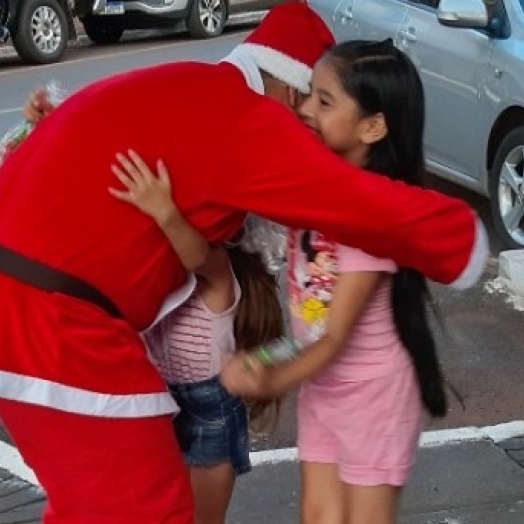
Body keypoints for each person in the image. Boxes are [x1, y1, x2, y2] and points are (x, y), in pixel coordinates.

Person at [0, 2, 487, 522]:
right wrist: (456, 238)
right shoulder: (241, 118)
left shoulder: (189, 86)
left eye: (326, 103)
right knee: (142, 506)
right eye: (311, 100)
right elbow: (355, 205)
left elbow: (329, 299)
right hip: (54, 326)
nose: (307, 119)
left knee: (108, 504)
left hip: (361, 394)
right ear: (292, 89)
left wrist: (274, 370)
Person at [220, 40, 449, 524]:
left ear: (373, 126)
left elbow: (335, 336)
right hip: (324, 385)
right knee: (318, 516)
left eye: (324, 101)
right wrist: (262, 357)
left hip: (375, 398)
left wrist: (270, 379)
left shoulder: (370, 219)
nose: (305, 108)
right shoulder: (318, 192)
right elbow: (312, 329)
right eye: (309, 94)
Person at [109, 150, 284, 524]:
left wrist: (165, 211)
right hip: (161, 403)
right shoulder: (159, 276)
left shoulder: (218, 274)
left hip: (212, 412)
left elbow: (196, 256)